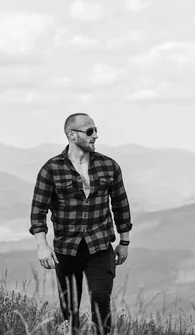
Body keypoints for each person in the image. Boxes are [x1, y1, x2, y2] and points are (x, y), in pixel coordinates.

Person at [29, 113, 132, 335]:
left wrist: (124, 241)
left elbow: (121, 206)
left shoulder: (109, 166)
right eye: (89, 131)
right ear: (72, 135)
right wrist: (42, 246)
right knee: (69, 310)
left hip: (100, 246)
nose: (95, 136)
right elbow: (38, 211)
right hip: (67, 249)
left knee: (101, 302)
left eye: (95, 130)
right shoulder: (51, 169)